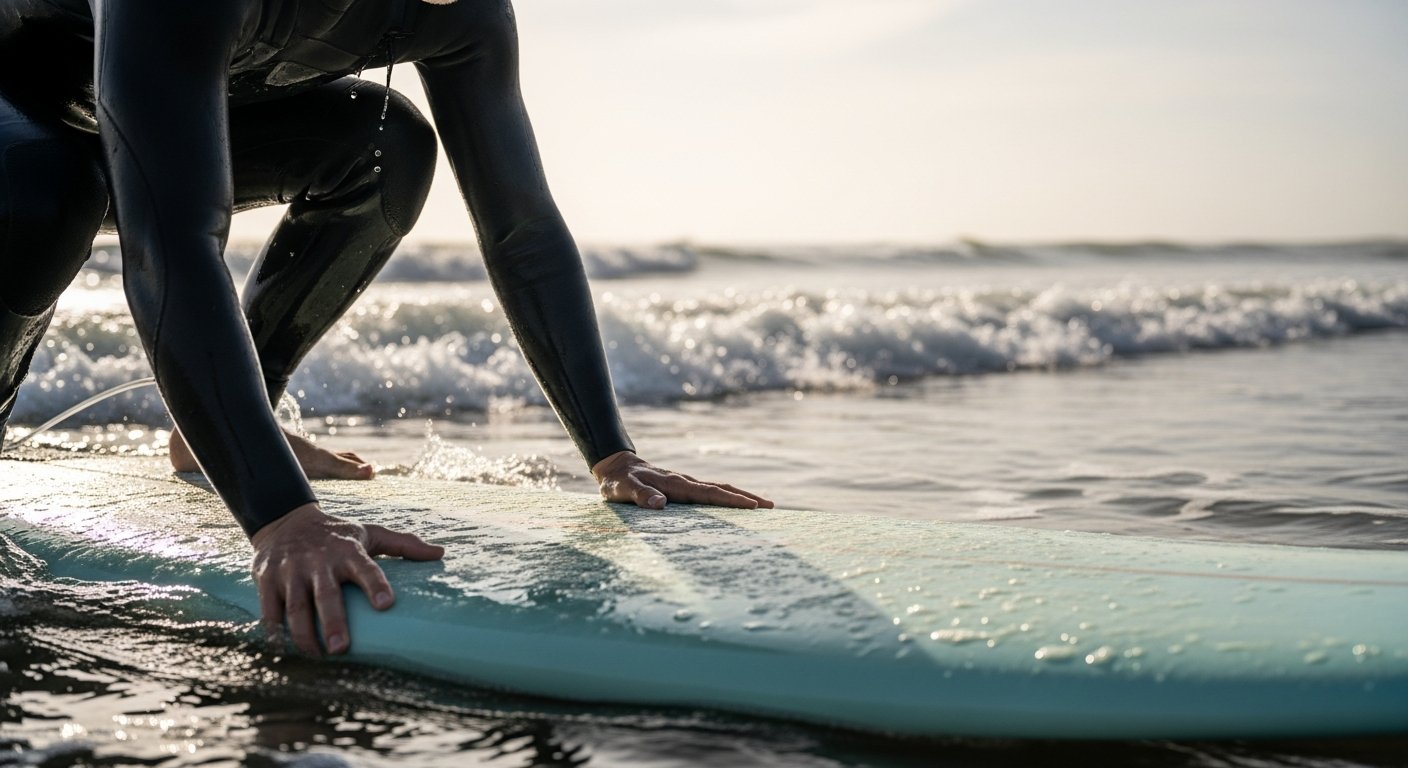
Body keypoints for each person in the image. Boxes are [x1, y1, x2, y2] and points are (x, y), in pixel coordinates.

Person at [0, 0, 772, 657]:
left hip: (159, 97)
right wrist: (282, 519)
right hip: (23, 102)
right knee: (48, 194)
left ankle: (227, 426)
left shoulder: (462, 13)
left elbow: (521, 228)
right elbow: (171, 245)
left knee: (388, 149)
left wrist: (612, 452)